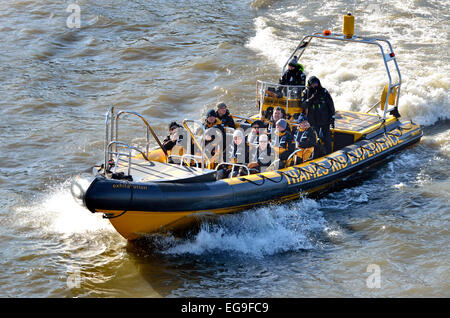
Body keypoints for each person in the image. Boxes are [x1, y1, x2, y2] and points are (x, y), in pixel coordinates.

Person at [301, 76, 335, 155]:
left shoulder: (324, 91)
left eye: (316, 83)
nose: (315, 85)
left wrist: (332, 118)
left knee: (327, 138)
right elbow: (303, 105)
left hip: (325, 119)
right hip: (313, 120)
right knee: (314, 138)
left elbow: (331, 105)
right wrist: (311, 99)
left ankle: (329, 153)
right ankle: (316, 154)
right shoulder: (306, 92)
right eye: (313, 84)